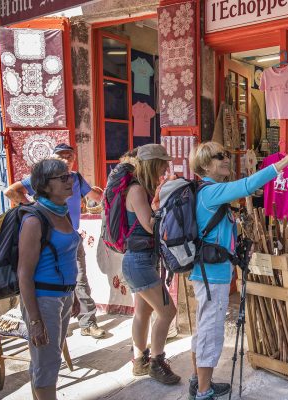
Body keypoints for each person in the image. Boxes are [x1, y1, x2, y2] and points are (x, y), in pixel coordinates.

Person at [188, 139, 288, 400]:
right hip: (211, 275)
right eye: (219, 156)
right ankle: (203, 391)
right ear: (205, 165)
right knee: (210, 332)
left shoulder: (210, 192)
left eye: (226, 154)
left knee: (204, 328)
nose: (226, 159)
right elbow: (248, 185)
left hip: (211, 272)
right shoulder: (210, 192)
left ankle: (198, 380)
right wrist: (286, 161)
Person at [5, 144, 106, 339]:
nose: (66, 159)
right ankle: (52, 322)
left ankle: (86, 322)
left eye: (69, 156)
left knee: (79, 277)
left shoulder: (75, 178)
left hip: (70, 235)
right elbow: (11, 191)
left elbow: (95, 196)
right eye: (62, 156)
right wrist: (35, 208)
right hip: (48, 240)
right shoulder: (35, 220)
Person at [18, 159, 81, 400]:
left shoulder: (61, 212)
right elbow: (24, 273)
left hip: (62, 296)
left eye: (69, 176)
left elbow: (65, 259)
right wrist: (34, 320)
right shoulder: (35, 220)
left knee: (46, 360)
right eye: (62, 178)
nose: (69, 181)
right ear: (45, 185)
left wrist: (72, 294)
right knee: (48, 363)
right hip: (43, 300)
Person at [122, 143, 181, 385]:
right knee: (168, 311)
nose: (166, 167)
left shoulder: (143, 189)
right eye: (163, 163)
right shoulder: (137, 190)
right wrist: (164, 202)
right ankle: (157, 362)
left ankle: (140, 361)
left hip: (141, 260)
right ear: (153, 164)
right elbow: (150, 226)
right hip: (139, 262)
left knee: (143, 312)